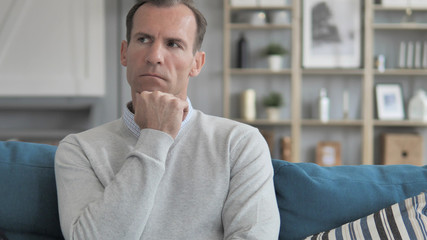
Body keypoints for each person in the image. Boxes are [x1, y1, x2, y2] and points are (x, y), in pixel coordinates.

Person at [54, 0, 280, 239]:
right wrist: (154, 137)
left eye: (173, 44)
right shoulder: (79, 149)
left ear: (197, 63)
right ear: (124, 53)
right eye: (143, 39)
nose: (154, 56)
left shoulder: (240, 143)